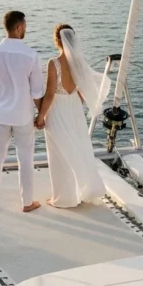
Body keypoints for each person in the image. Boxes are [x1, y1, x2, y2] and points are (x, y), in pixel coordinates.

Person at [36, 24, 108, 207]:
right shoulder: (78, 62)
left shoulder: (54, 63)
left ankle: (64, 198)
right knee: (77, 146)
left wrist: (41, 116)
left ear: (56, 40)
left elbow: (50, 93)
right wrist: (76, 104)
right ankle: (80, 191)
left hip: (58, 108)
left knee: (59, 151)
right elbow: (83, 90)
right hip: (74, 107)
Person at [0, 10, 46, 213]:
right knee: (25, 159)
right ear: (18, 27)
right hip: (23, 116)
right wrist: (41, 115)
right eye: (24, 26)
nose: (25, 29)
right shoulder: (31, 55)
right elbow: (37, 91)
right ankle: (27, 203)